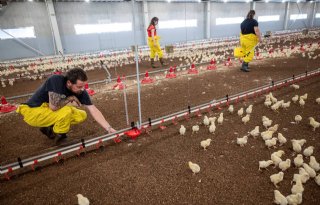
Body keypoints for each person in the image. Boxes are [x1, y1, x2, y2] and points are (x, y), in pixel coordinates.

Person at [16, 68, 116, 144]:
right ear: (69, 83)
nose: (82, 89)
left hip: (47, 111)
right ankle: (60, 136)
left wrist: (109, 128)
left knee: (81, 114)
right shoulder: (55, 80)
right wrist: (69, 98)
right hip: (33, 112)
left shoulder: (81, 92)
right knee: (67, 110)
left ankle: (48, 127)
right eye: (79, 86)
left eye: (84, 86)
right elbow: (53, 107)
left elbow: (93, 110)